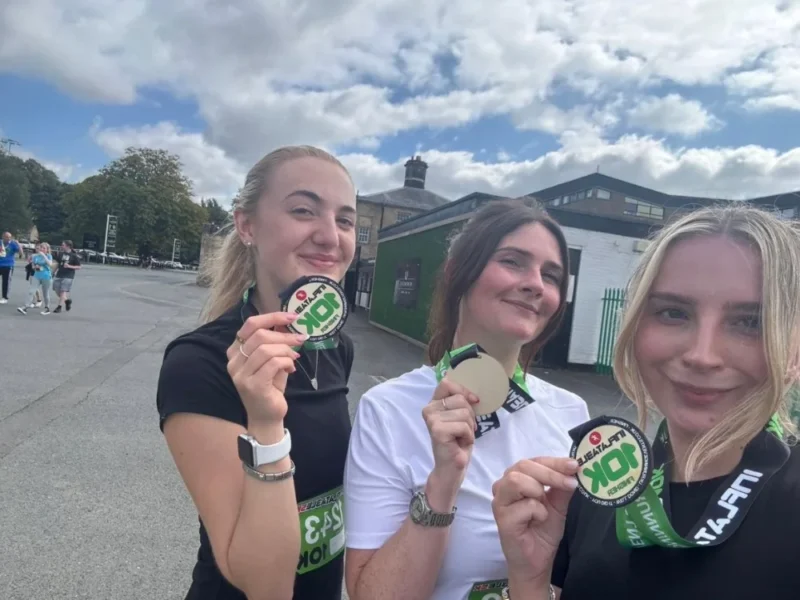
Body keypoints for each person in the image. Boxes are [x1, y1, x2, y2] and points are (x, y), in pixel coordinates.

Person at [491, 205, 800, 599]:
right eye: (674, 312)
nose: (702, 355)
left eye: (750, 322)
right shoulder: (600, 486)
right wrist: (530, 579)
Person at [343, 200, 590, 600]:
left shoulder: (572, 413)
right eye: (513, 262)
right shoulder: (387, 410)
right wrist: (443, 483)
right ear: (459, 271)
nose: (535, 284)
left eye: (552, 275)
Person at [156, 145, 357, 600]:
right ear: (247, 225)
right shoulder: (199, 363)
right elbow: (264, 585)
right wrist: (266, 427)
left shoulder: (336, 348)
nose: (330, 236)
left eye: (345, 220)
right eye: (304, 210)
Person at [18, 242, 53, 315]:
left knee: (45, 293)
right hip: (37, 275)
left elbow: (50, 264)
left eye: (44, 248)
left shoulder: (48, 256)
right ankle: (25, 307)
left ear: (47, 250)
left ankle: (47, 308)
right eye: (41, 247)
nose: (42, 249)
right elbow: (33, 265)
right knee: (31, 291)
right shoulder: (35, 256)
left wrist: (44, 255)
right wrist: (35, 267)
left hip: (46, 276)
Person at [52, 240, 81, 313]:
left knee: (63, 291)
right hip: (59, 274)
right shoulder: (61, 254)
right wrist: (53, 272)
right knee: (56, 290)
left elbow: (78, 267)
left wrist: (69, 266)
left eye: (63, 245)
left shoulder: (74, 256)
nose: (62, 246)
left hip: (68, 276)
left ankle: (59, 307)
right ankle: (67, 301)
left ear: (68, 246)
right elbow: (58, 264)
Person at [0, 231, 23, 304]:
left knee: (6, 282)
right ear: (3, 237)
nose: (8, 238)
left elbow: (21, 254)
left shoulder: (13, 244)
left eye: (10, 237)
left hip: (8, 265)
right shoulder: (0, 242)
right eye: (7, 237)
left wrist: (18, 244)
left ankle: (5, 297)